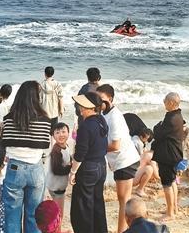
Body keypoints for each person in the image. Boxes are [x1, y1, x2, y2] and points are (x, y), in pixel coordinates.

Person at [0, 80, 51, 233]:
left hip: (14, 168)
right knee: (34, 216)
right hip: (35, 168)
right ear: (37, 97)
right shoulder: (45, 120)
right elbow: (45, 146)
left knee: (12, 216)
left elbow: (5, 144)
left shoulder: (8, 119)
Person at [96, 84, 141, 233]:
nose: (98, 101)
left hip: (125, 160)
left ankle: (122, 230)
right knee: (123, 199)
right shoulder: (104, 113)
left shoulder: (114, 117)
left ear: (110, 99)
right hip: (119, 161)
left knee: (124, 200)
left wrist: (97, 148)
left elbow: (115, 145)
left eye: (101, 99)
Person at [69, 92, 109, 233]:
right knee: (97, 204)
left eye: (81, 105)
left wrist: (73, 172)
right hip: (101, 166)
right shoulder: (101, 120)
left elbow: (80, 153)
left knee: (83, 208)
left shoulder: (86, 126)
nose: (79, 108)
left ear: (88, 107)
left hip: (88, 168)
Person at [151, 92, 185, 222]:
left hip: (168, 156)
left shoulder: (171, 119)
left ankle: (170, 213)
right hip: (174, 154)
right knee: (172, 181)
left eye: (165, 100)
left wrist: (157, 126)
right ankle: (173, 208)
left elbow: (158, 134)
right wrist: (160, 126)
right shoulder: (177, 115)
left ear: (171, 103)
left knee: (167, 184)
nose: (163, 102)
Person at [46, 122, 72, 233]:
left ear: (68, 133)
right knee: (59, 213)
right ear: (53, 136)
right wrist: (71, 167)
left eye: (63, 132)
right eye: (57, 133)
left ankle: (58, 230)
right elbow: (57, 170)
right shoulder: (56, 151)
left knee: (58, 212)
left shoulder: (66, 146)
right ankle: (57, 231)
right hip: (57, 187)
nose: (61, 135)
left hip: (56, 185)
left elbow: (68, 158)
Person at [40, 67, 65, 132]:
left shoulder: (41, 85)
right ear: (53, 74)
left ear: (45, 74)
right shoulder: (57, 84)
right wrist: (61, 109)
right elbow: (60, 98)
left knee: (45, 130)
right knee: (54, 131)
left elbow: (39, 100)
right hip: (54, 111)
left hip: (44, 112)